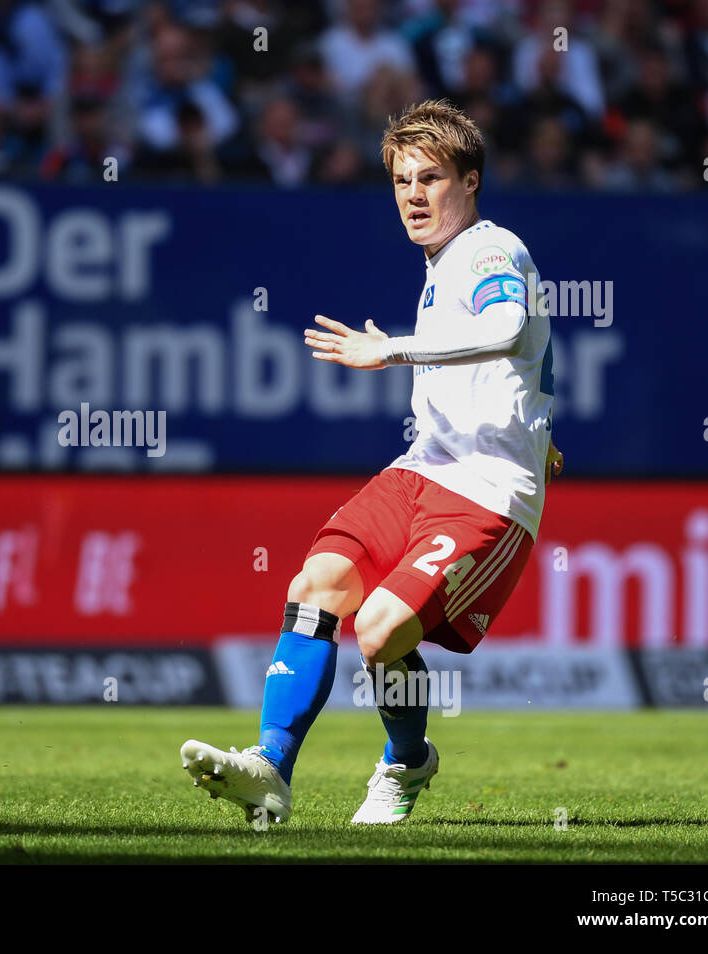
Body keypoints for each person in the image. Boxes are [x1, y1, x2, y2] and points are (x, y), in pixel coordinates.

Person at [181, 100, 563, 825]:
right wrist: (541, 429)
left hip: (484, 493)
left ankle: (406, 762)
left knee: (381, 634)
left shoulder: (487, 249)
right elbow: (526, 351)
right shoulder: (447, 262)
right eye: (402, 181)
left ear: (472, 181)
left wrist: (389, 348)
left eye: (433, 178)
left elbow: (508, 324)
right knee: (318, 584)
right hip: (422, 468)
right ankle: (270, 768)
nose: (415, 196)